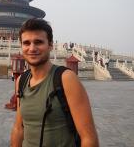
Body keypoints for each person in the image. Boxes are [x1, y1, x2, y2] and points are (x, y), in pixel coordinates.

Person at [10, 18, 99, 147]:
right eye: (26, 43)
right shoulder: (21, 81)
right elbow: (19, 128)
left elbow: (88, 137)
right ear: (21, 46)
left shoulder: (66, 79)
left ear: (50, 45)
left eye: (38, 42)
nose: (32, 48)